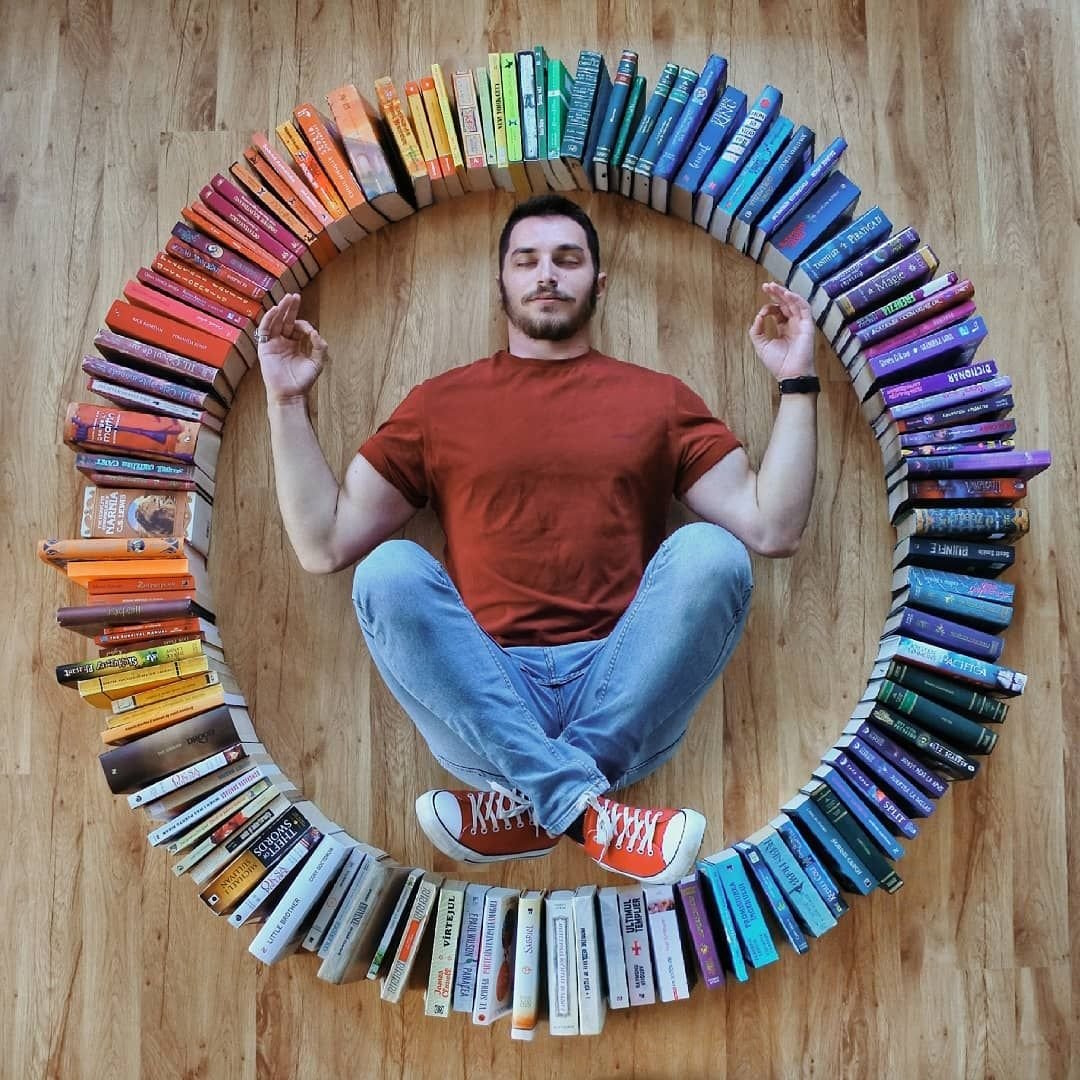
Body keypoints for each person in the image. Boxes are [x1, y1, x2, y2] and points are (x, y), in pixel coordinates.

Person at [256, 195, 819, 885]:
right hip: (489, 699)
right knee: (387, 570)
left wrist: (797, 379)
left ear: (598, 283)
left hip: (620, 695)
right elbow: (324, 544)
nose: (546, 274)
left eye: (567, 259)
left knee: (715, 553)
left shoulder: (659, 400)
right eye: (526, 261)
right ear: (501, 283)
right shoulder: (440, 404)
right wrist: (286, 399)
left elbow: (773, 527)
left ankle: (539, 798)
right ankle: (582, 807)